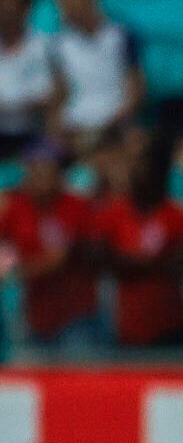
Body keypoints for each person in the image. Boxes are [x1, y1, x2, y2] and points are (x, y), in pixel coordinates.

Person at [98, 132, 183, 351]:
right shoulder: (113, 214)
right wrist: (152, 262)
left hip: (171, 325)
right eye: (137, 165)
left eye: (147, 165)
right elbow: (101, 260)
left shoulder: (178, 216)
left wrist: (133, 261)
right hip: (129, 326)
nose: (141, 172)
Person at [0, 143, 97, 352]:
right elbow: (5, 248)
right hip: (33, 311)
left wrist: (18, 271)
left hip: (74, 312)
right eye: (36, 169)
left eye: (48, 170)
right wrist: (9, 267)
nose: (42, 176)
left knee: (77, 377)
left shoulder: (76, 206)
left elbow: (60, 259)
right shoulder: (16, 207)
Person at [50, 0, 142, 150]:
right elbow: (59, 95)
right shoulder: (58, 44)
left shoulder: (121, 36)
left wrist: (106, 127)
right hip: (74, 126)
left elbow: (136, 92)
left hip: (115, 124)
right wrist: (59, 127)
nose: (66, 6)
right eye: (62, 1)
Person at [0, 0, 58, 160]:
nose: (7, 15)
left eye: (13, 9)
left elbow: (53, 95)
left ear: (27, 9)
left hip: (32, 131)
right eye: (3, 9)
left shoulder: (44, 46)